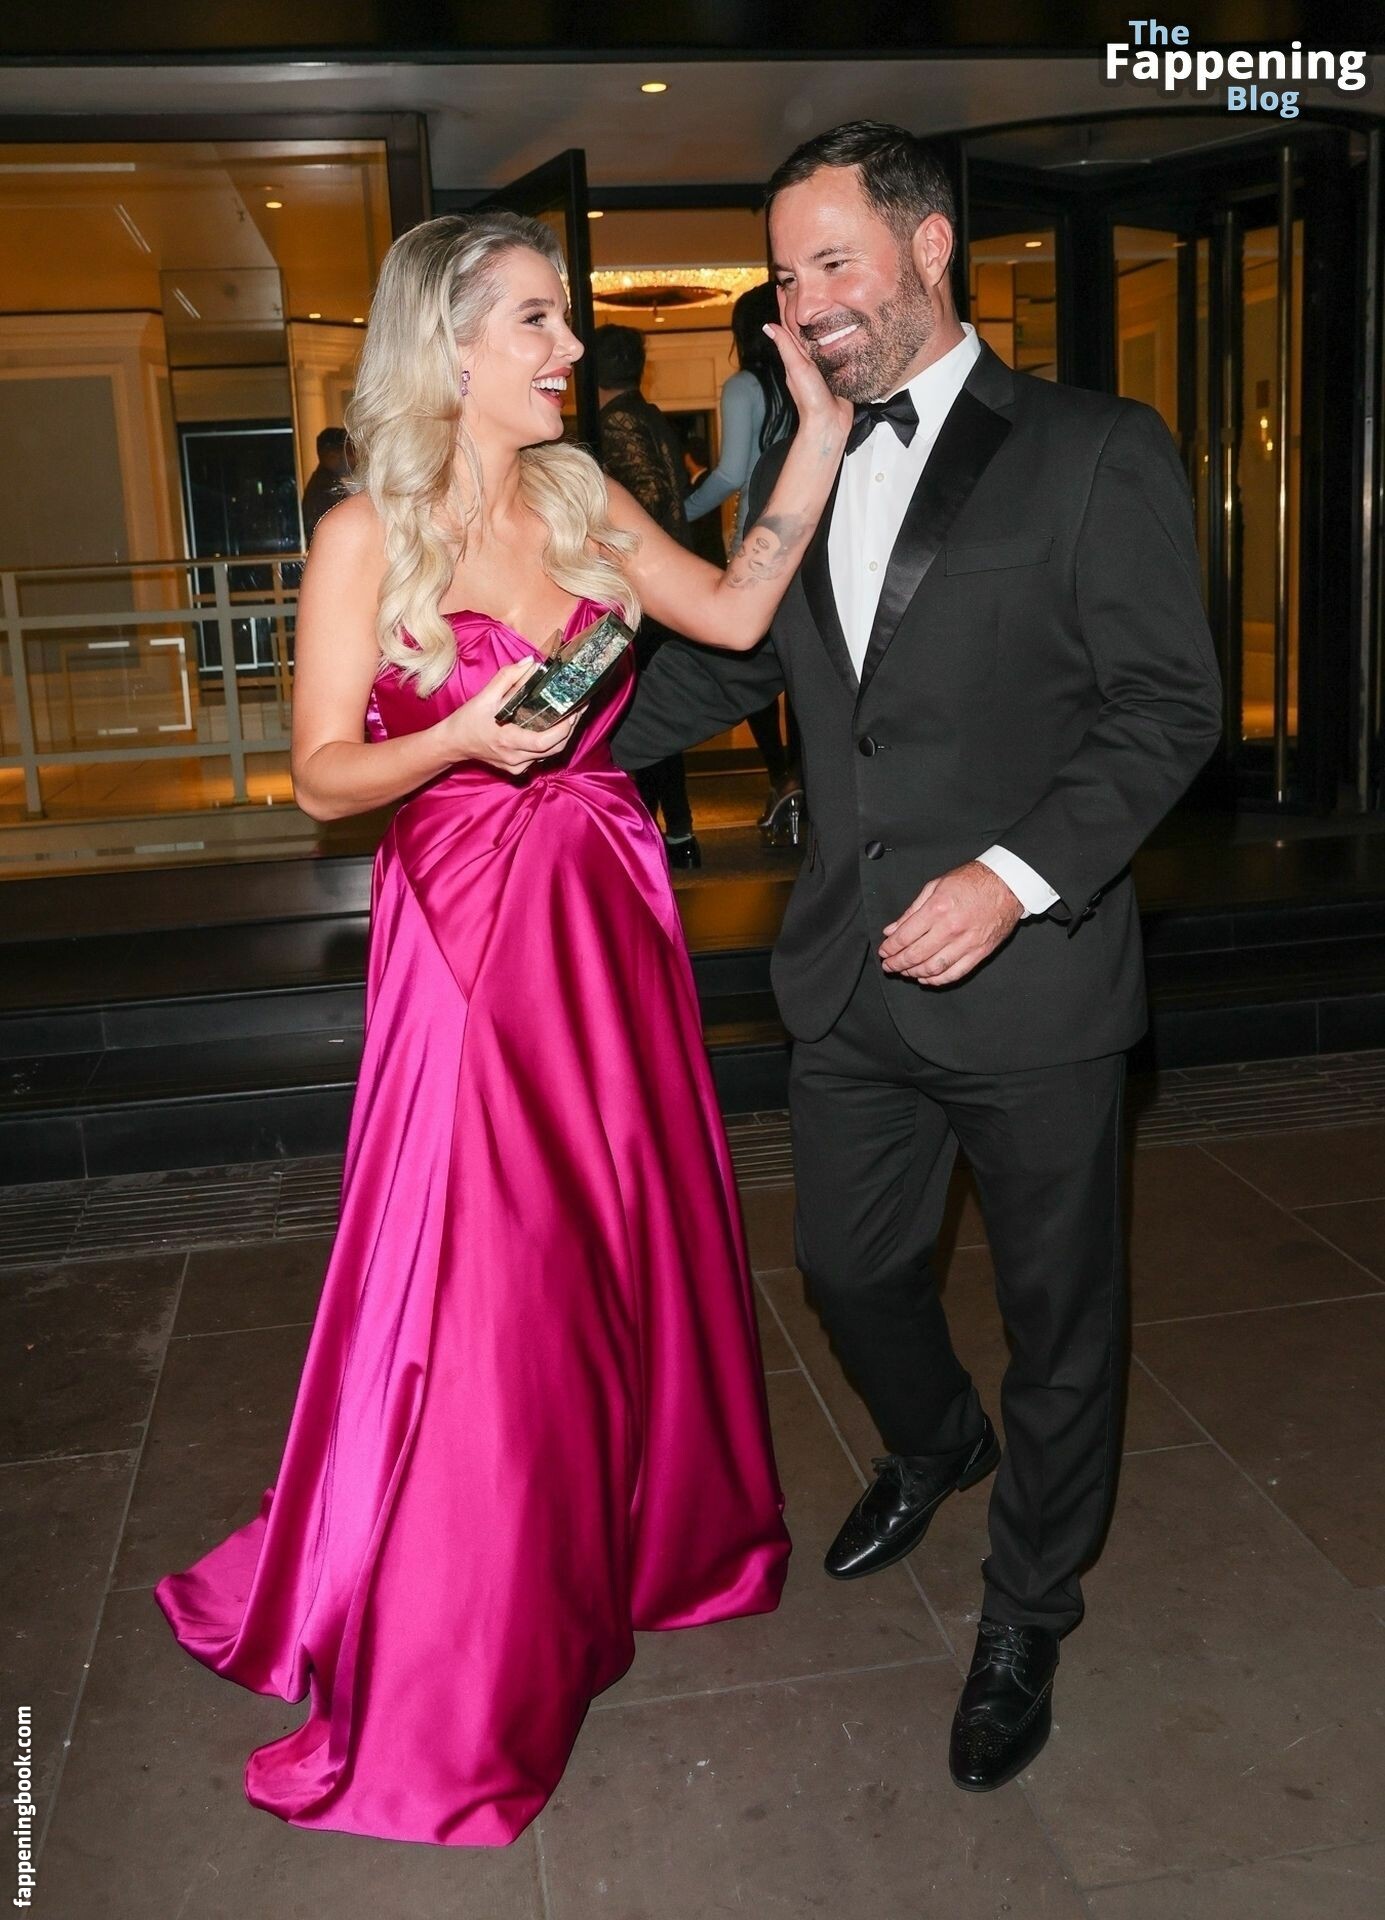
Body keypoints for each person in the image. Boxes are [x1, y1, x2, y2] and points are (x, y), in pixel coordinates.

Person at [152, 209, 849, 1848]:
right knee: (493, 1271)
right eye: (535, 319)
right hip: (468, 928)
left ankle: (633, 1540)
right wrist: (460, 735)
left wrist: (812, 436)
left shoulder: (580, 494)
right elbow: (320, 775)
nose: (569, 348)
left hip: (605, 905)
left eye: (562, 319)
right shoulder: (363, 533)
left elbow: (735, 611)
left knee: (622, 1229)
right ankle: (474, 1624)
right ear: (449, 345)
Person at [613, 123, 1222, 1794]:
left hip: (1034, 980)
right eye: (785, 272)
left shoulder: (1093, 449)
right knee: (848, 1270)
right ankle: (937, 1439)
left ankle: (1028, 1609)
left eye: (834, 260)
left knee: (1060, 1321)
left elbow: (1167, 706)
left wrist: (1014, 880)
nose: (805, 300)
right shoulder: (804, 466)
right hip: (847, 975)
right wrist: (518, 744)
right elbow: (725, 667)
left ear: (930, 246)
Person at [685, 281, 803, 840]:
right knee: (803, 674)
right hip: (812, 539)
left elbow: (732, 473)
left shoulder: (743, 386)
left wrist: (680, 510)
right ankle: (803, 783)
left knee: (751, 664)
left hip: (761, 541)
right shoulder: (810, 380)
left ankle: (781, 778)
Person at [594, 323, 702, 868]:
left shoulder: (615, 423)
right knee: (657, 717)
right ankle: (676, 834)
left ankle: (654, 838)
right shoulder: (651, 416)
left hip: (640, 596)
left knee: (638, 721)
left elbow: (651, 501)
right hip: (662, 590)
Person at [300, 425, 351, 542]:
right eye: (349, 452)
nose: (355, 458)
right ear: (332, 455)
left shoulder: (325, 484)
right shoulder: (325, 489)